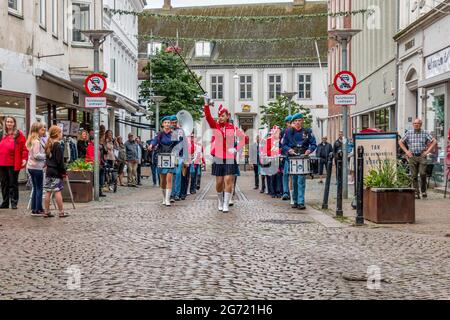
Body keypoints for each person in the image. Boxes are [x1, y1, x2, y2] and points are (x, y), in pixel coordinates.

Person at [204, 98, 246, 213]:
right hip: (218, 157)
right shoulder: (215, 126)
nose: (221, 117)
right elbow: (208, 117)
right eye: (219, 116)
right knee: (219, 182)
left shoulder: (233, 128)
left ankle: (226, 204)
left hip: (229, 158)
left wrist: (236, 149)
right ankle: (220, 200)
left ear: (228, 116)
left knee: (228, 180)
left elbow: (244, 138)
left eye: (223, 115)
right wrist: (206, 104)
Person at [281, 113, 317, 210]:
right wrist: (289, 150)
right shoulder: (288, 132)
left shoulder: (307, 131)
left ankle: (301, 201)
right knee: (294, 180)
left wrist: (309, 150)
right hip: (292, 158)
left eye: (299, 121)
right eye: (295, 121)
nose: (297, 123)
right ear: (293, 122)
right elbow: (283, 145)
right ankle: (295, 200)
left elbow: (313, 144)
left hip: (303, 157)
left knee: (301, 180)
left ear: (302, 121)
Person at [399, 118, 437, 199]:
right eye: (415, 123)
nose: (416, 125)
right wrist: (406, 151)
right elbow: (400, 142)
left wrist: (427, 152)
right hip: (412, 156)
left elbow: (434, 141)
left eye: (418, 123)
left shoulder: (425, 132)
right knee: (414, 175)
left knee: (423, 173)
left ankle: (423, 191)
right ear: (413, 124)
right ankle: (416, 192)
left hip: (422, 156)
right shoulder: (409, 133)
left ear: (421, 124)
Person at [150, 116, 183, 206]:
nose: (167, 124)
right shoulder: (160, 134)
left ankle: (168, 199)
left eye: (169, 123)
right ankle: (164, 197)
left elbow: (179, 145)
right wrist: (151, 145)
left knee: (169, 178)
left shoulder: (174, 134)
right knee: (162, 180)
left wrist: (177, 153)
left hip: (171, 157)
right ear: (163, 124)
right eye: (165, 123)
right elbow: (154, 141)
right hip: (161, 157)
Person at [0, 116, 28, 209]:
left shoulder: (18, 134)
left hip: (13, 163)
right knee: (4, 184)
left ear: (14, 123)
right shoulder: (1, 134)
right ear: (5, 123)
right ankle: (5, 202)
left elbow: (24, 148)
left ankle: (14, 202)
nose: (9, 123)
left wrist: (24, 158)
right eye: (7, 122)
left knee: (13, 183)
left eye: (11, 122)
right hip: (2, 163)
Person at [43, 125, 68, 218]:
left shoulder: (48, 144)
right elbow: (60, 161)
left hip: (49, 171)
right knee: (57, 191)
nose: (61, 134)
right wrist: (64, 172)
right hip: (56, 171)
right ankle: (61, 212)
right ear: (57, 134)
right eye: (60, 132)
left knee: (48, 191)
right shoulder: (58, 145)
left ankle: (46, 211)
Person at [26, 122, 47, 216]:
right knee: (39, 188)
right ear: (37, 131)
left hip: (31, 167)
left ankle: (34, 208)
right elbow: (36, 155)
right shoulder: (37, 141)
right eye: (42, 129)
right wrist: (46, 156)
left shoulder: (32, 140)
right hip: (36, 167)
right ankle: (38, 209)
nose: (44, 131)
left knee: (35, 188)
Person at [281, 116, 292, 200]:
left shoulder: (295, 131)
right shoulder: (283, 132)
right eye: (288, 123)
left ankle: (292, 192)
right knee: (285, 174)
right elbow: (280, 143)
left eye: (290, 122)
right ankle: (285, 192)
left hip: (294, 156)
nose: (289, 124)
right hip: (285, 156)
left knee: (293, 176)